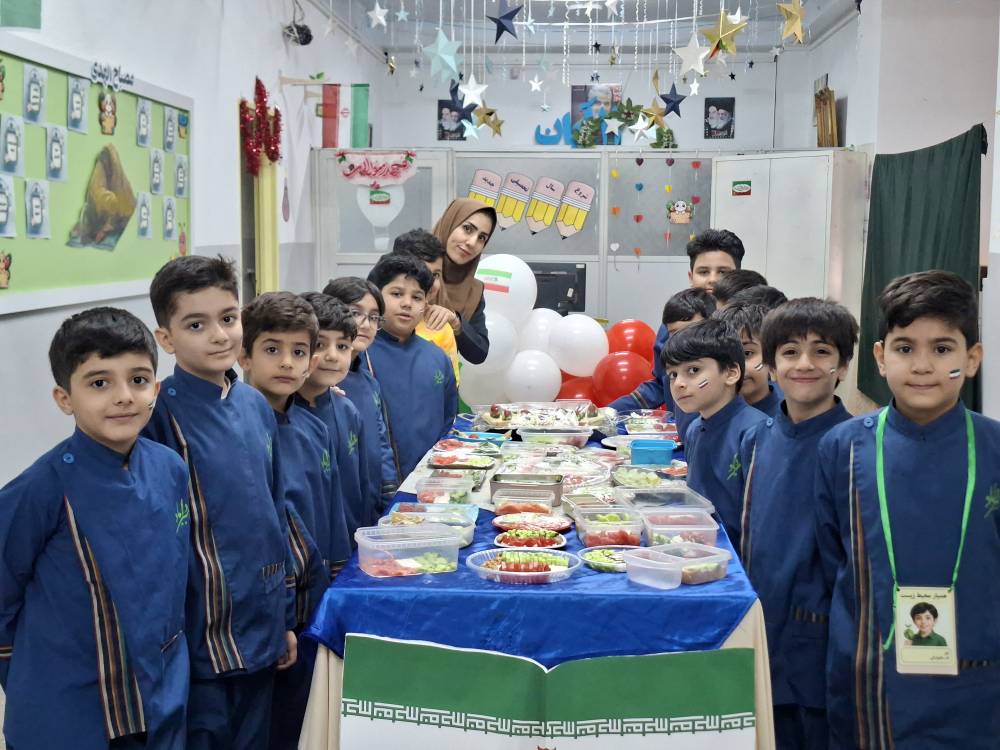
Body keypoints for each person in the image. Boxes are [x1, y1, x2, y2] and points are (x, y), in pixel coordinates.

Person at [816, 271, 1000, 749]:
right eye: (904, 348)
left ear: (972, 359)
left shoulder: (995, 449)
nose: (922, 365)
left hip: (977, 679)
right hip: (872, 676)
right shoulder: (843, 448)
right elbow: (833, 557)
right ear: (880, 358)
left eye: (942, 349)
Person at [0, 308, 190, 749]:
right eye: (99, 383)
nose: (124, 397)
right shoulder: (40, 490)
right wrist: (33, 677)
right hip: (70, 711)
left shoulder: (170, 468)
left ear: (155, 389)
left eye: (138, 379)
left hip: (159, 696)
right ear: (64, 398)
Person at [143, 255, 296, 750]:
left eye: (228, 318)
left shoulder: (254, 404)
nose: (218, 335)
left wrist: (283, 619)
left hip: (262, 623)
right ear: (166, 338)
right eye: (196, 324)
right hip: (198, 639)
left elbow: (275, 511)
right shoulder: (157, 416)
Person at [736, 297, 859, 749]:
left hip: (821, 648)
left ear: (843, 366)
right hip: (763, 630)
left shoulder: (855, 447)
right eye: (790, 352)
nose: (804, 364)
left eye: (822, 351)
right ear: (770, 365)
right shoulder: (758, 437)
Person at [237, 292, 350, 750]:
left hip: (312, 600)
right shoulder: (237, 430)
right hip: (261, 609)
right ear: (244, 355)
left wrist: (338, 584)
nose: (286, 362)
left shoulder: (315, 428)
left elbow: (331, 513)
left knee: (304, 717)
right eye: (272, 349)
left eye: (299, 351)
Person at [610, 229, 746, 415]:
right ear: (691, 277)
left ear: (737, 276)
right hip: (683, 427)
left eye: (723, 272)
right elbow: (661, 383)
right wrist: (609, 412)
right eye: (703, 272)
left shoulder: (749, 327)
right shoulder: (674, 325)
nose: (713, 280)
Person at [662, 317, 766, 548]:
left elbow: (761, 522)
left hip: (736, 557)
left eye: (693, 370)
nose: (679, 383)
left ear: (731, 373)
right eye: (673, 374)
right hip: (698, 546)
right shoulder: (694, 429)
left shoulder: (757, 433)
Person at [366, 254, 458, 479]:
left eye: (417, 297)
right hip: (376, 481)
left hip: (431, 481)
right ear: (376, 297)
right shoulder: (359, 355)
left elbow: (448, 423)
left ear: (426, 304)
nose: (407, 303)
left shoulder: (438, 358)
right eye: (396, 294)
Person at [296, 292, 375, 537]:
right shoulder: (280, 416)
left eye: (342, 346)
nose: (332, 356)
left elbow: (362, 487)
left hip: (350, 542)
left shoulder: (348, 411)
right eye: (319, 344)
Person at [323, 276, 399, 504]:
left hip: (370, 500)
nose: (366, 324)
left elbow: (382, 444)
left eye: (374, 317)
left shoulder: (369, 382)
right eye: (355, 313)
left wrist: (389, 491)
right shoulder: (318, 384)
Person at [431, 198, 498, 364]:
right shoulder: (406, 267)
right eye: (467, 229)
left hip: (442, 378)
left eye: (482, 238)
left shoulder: (473, 291)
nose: (472, 243)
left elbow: (479, 353)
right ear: (449, 223)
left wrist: (456, 322)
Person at [392, 228, 461, 383]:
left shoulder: (441, 328)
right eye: (421, 272)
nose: (430, 282)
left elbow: (449, 388)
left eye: (436, 275)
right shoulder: (373, 321)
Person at [715, 302, 785, 417]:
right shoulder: (706, 414)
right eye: (724, 356)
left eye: (747, 353)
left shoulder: (792, 413)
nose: (736, 368)